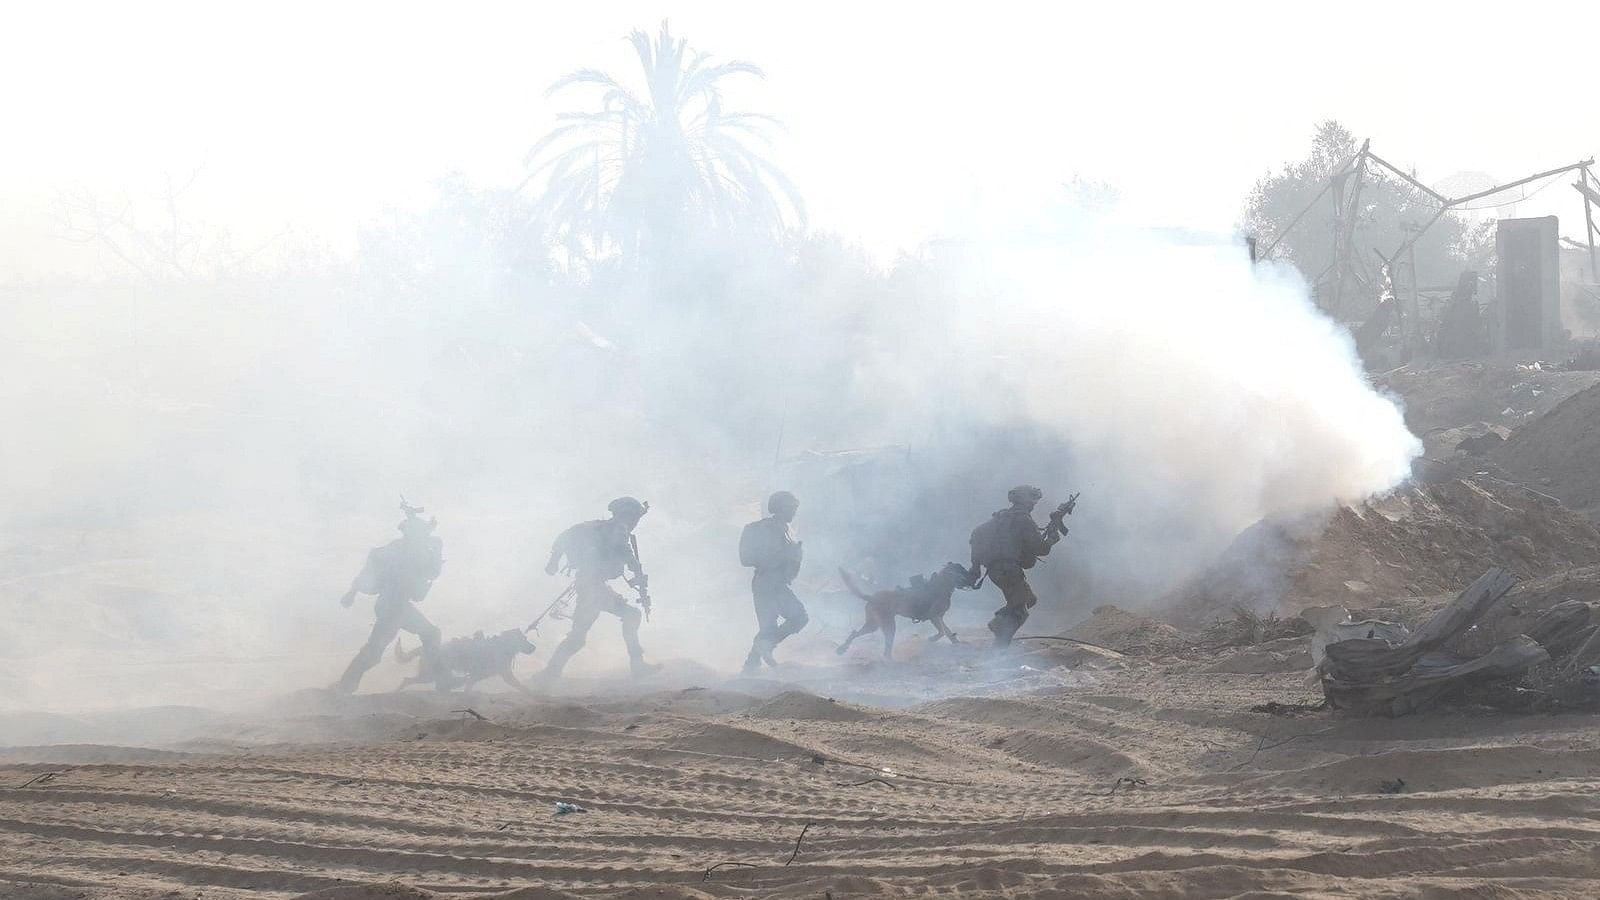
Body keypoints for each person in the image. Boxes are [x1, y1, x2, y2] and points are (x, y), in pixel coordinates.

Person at [538, 496, 659, 680]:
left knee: (577, 639)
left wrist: (553, 562)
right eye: (635, 517)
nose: (636, 522)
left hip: (590, 586)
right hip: (593, 589)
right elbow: (624, 549)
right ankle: (637, 666)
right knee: (632, 616)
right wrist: (637, 570)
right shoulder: (620, 528)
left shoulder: (597, 527)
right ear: (629, 515)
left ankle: (548, 674)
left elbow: (565, 536)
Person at [334, 501, 445, 695]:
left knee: (429, 634)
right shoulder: (404, 550)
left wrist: (434, 547)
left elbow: (431, 571)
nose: (425, 536)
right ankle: (344, 686)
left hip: (397, 605)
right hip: (393, 606)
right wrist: (352, 592)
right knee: (377, 650)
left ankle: (442, 678)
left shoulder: (410, 549)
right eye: (422, 533)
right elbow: (375, 563)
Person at [969, 485, 1074, 647]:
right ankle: (999, 648)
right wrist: (1053, 537)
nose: (1034, 504)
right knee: (1020, 611)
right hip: (1008, 571)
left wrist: (975, 567)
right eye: (1032, 500)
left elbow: (976, 534)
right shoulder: (1023, 520)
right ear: (1026, 500)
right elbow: (1041, 549)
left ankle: (998, 621)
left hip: (997, 570)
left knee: (1030, 600)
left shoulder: (1002, 517)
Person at [739, 490, 806, 674]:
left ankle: (751, 665)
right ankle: (763, 649)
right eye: (791, 508)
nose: (793, 512)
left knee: (768, 627)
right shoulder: (770, 528)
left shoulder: (781, 529)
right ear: (780, 508)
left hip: (767, 582)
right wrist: (789, 554)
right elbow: (752, 558)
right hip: (771, 582)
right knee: (799, 617)